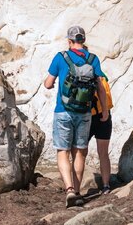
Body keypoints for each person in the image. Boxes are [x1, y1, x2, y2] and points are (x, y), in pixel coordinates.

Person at [43, 26, 108, 207]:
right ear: (83, 40)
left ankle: (69, 190)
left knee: (62, 151)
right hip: (85, 113)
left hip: (63, 111)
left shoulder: (61, 57)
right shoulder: (93, 59)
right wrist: (104, 110)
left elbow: (48, 84)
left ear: (69, 41)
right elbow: (100, 87)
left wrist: (51, 80)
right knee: (79, 152)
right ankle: (78, 192)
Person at [89, 67, 114, 194]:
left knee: (78, 153)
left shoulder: (81, 73)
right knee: (103, 153)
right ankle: (106, 185)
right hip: (104, 116)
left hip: (87, 116)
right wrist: (105, 111)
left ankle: (74, 188)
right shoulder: (102, 76)